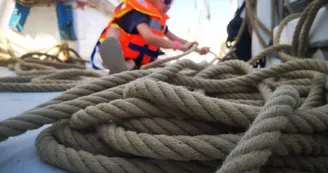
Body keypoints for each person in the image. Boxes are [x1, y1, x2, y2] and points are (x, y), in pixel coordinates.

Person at [98, 0, 210, 73]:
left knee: (170, 70)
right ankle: (112, 57)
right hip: (124, 56)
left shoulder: (158, 21)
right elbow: (149, 37)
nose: (169, 6)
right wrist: (179, 47)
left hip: (141, 62)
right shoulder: (139, 13)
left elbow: (177, 39)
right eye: (166, 1)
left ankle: (127, 67)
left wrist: (198, 50)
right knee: (114, 29)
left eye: (171, 2)